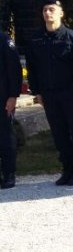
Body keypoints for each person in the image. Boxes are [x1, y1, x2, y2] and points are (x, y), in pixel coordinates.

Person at [26, 0, 73, 186]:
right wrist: (37, 91)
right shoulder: (36, 39)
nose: (48, 13)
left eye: (52, 10)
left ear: (61, 13)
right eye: (45, 10)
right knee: (59, 134)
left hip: (71, 93)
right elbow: (32, 68)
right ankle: (67, 169)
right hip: (49, 95)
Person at [0, 30, 21, 189]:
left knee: (5, 137)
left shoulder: (4, 40)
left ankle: (9, 174)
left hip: (3, 98)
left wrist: (13, 95)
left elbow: (14, 69)